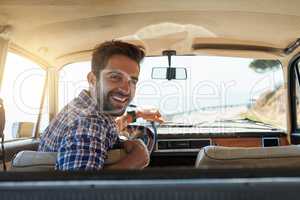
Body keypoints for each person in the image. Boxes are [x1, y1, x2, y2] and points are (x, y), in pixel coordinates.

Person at [38, 40, 164, 170]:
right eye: (115, 77)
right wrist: (135, 161)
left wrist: (137, 114)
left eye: (132, 81)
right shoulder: (89, 123)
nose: (126, 90)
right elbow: (81, 189)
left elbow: (107, 127)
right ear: (92, 79)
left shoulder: (81, 108)